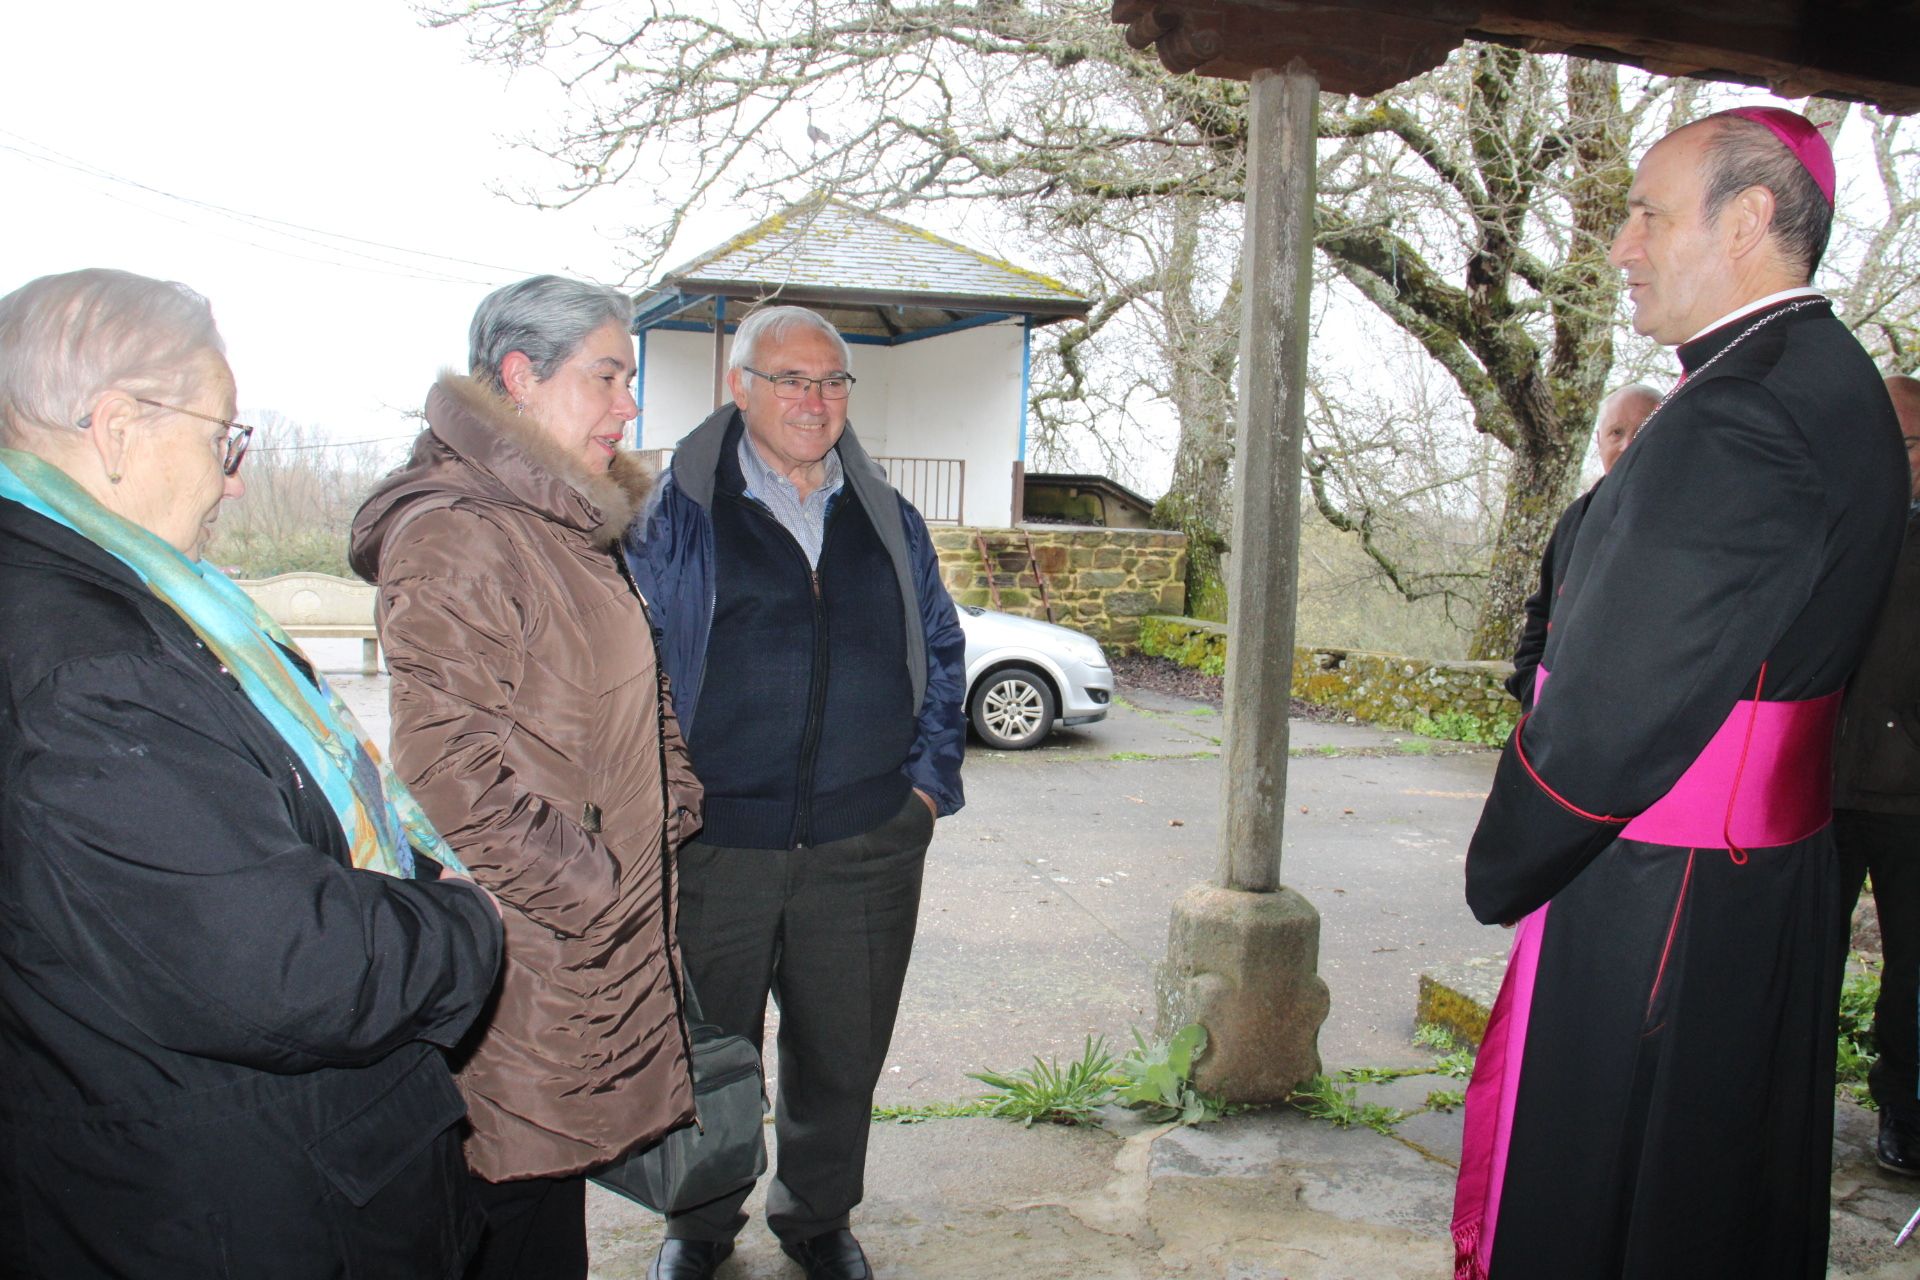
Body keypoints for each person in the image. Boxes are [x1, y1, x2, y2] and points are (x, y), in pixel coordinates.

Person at [1451, 107, 1908, 1279]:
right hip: (1756, 876)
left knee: (1618, 1195)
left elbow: (1613, 708)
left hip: (1661, 886)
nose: (1621, 244)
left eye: (1650, 212)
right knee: (1718, 1188)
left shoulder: (1741, 413)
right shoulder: (1827, 373)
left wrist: (1510, 855)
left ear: (1751, 218)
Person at [0, 268, 504, 1277]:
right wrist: (465, 926)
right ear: (115, 431)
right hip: (224, 1200)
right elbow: (279, 964)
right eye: (223, 436)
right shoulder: (93, 668)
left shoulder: (93, 594)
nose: (235, 477)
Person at [350, 275, 704, 1280]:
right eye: (607, 376)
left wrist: (671, 795)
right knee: (512, 1215)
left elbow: (639, 678)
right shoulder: (462, 529)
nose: (627, 406)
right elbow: (445, 771)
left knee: (549, 1215)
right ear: (521, 375)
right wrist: (595, 885)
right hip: (526, 971)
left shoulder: (557, 517)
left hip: (583, 957)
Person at [624, 304, 966, 1280]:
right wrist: (666, 807)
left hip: (866, 841)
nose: (815, 401)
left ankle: (818, 1216)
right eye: (791, 379)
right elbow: (631, 670)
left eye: (832, 381)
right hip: (716, 841)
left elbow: (941, 649)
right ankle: (699, 1218)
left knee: (840, 1053)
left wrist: (926, 789)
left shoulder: (887, 514)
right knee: (707, 1051)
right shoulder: (673, 513)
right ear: (739, 386)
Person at [1833, 373, 1920, 1174]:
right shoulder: (1830, 526)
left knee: (1914, 971)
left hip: (1911, 801)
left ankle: (1906, 1109)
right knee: (1794, 956)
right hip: (1817, 789)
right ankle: (1776, 1099)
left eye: (1906, 442)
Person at [1506, 383, 1660, 708]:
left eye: (1645, 430)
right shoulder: (1576, 517)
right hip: (1555, 714)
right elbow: (1542, 610)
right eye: (1616, 432)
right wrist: (1532, 690)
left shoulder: (1687, 523)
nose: (1628, 445)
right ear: (1599, 441)